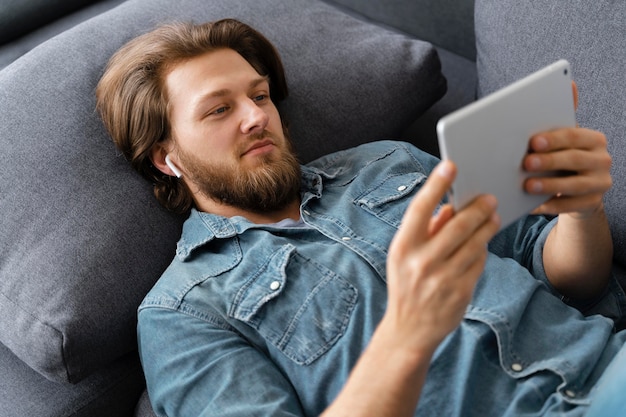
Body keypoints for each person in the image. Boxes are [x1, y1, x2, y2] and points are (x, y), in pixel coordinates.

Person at [96, 19, 625, 417]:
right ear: (166, 158)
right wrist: (406, 336)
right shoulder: (183, 314)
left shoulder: (386, 162)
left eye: (259, 95)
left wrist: (581, 210)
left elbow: (572, 281)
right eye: (219, 109)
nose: (257, 116)